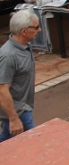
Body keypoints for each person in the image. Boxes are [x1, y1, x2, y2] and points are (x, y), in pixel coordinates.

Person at [0, 9, 40, 142]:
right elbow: (2, 90)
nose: (39, 30)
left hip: (21, 108)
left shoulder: (24, 46)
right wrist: (13, 119)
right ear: (24, 32)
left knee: (7, 141)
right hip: (19, 111)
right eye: (36, 27)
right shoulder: (8, 56)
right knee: (34, 143)